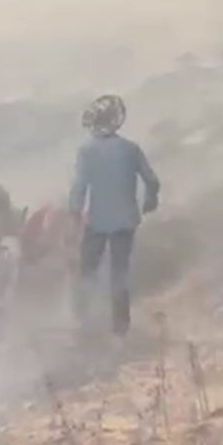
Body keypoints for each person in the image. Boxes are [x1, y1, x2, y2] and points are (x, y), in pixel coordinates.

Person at [69, 94, 160, 338]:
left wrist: (74, 215)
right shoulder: (131, 149)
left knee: (86, 271)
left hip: (97, 222)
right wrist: (150, 201)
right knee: (119, 275)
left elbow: (79, 188)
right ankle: (120, 331)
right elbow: (152, 180)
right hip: (125, 222)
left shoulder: (86, 151)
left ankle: (81, 322)